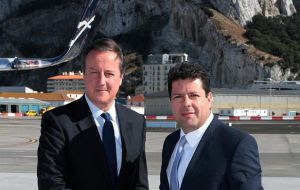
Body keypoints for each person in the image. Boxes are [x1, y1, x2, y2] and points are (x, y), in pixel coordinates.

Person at [37, 38, 149, 190]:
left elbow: (140, 183)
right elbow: (51, 184)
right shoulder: (57, 122)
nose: (101, 81)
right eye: (94, 72)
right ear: (84, 75)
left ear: (121, 77)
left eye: (109, 73)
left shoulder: (137, 122)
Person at [160, 62, 263, 190]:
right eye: (178, 97)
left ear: (209, 99)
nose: (186, 103)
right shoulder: (170, 143)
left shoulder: (236, 145)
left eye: (194, 95)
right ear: (171, 102)